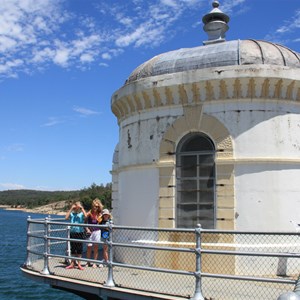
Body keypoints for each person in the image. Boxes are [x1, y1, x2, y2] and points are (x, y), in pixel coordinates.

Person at [65, 201, 87, 270]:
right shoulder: (72, 214)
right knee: (73, 249)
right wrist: (71, 208)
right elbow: (66, 218)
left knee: (79, 249)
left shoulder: (81, 214)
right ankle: (72, 263)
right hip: (73, 232)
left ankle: (79, 264)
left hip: (80, 232)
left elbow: (86, 216)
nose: (76, 207)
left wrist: (82, 208)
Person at [85, 198, 103, 268]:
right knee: (89, 247)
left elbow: (102, 221)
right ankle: (88, 262)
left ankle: (94, 262)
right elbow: (84, 222)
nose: (95, 207)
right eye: (94, 206)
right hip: (90, 231)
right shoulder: (89, 213)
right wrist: (87, 229)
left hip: (97, 231)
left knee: (96, 247)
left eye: (97, 206)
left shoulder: (99, 214)